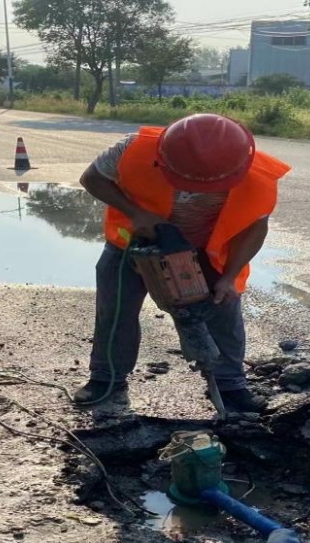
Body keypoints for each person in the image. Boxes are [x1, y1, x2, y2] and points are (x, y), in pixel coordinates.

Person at [75, 113, 291, 413]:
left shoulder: (257, 176)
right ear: (164, 157)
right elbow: (91, 178)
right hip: (134, 243)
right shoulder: (133, 149)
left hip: (207, 249)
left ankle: (230, 385)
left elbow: (255, 228)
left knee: (224, 310)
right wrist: (136, 213)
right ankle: (106, 378)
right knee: (116, 310)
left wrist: (229, 276)